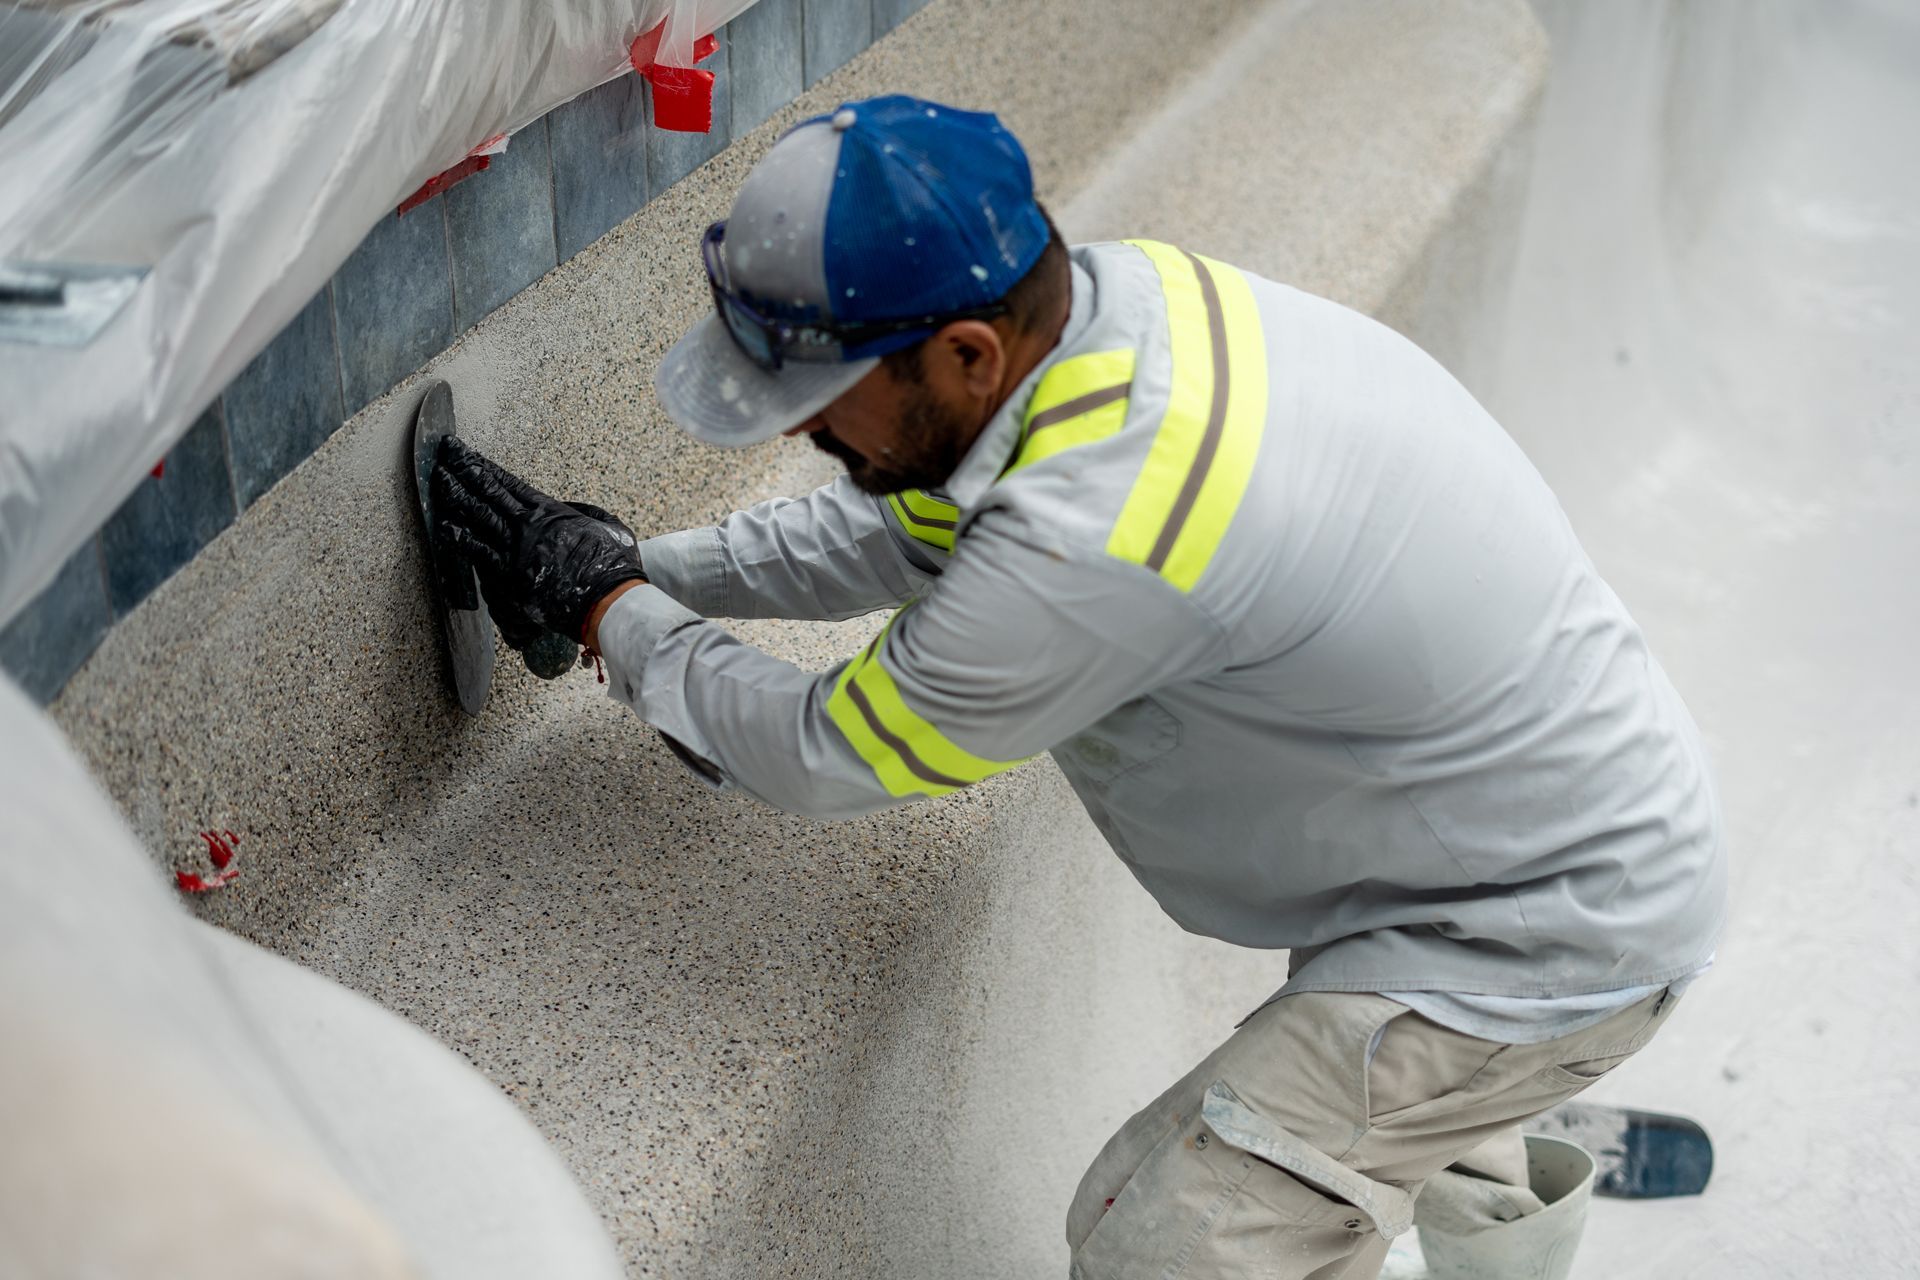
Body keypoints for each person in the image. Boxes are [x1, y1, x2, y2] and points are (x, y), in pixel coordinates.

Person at [433, 94, 1725, 1279]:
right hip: (1525, 846)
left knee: (1172, 1245)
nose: (796, 433)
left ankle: (1500, 1081)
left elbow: (824, 753)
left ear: (967, 354)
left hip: (1542, 932)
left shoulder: (1102, 532)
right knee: (1402, 1105)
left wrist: (611, 613)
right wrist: (648, 567)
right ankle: (1488, 1117)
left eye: (821, 399)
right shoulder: (1109, 321)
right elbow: (902, 532)